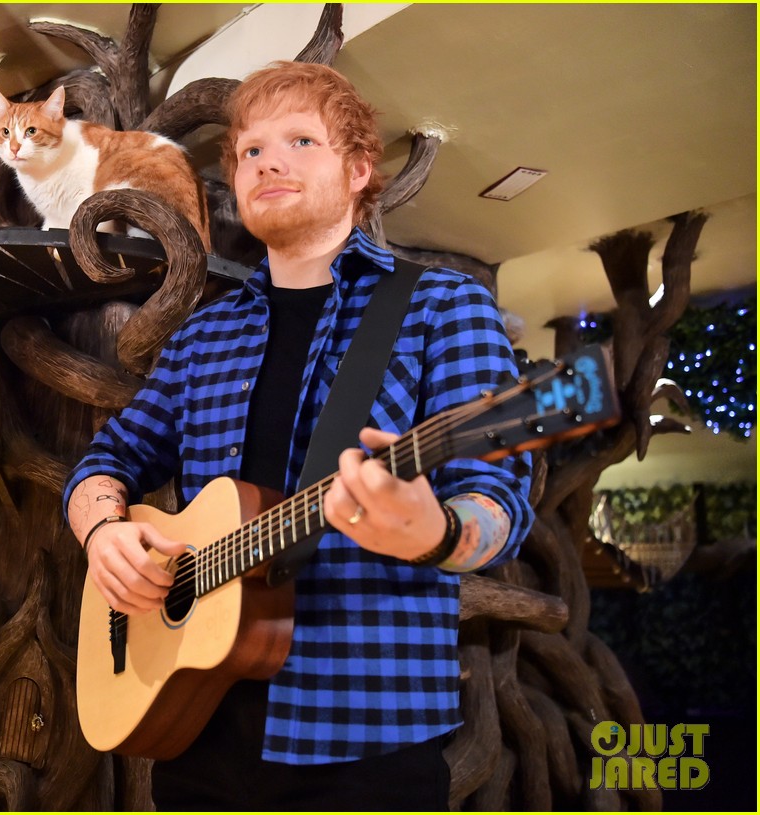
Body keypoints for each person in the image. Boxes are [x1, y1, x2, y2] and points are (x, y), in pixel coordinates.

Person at [63, 61, 534, 810]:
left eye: (300, 141)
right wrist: (102, 534)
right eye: (250, 150)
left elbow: (498, 502)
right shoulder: (201, 337)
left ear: (358, 169)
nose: (268, 161)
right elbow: (106, 460)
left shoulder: (442, 306)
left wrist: (436, 531)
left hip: (365, 746)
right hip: (195, 731)